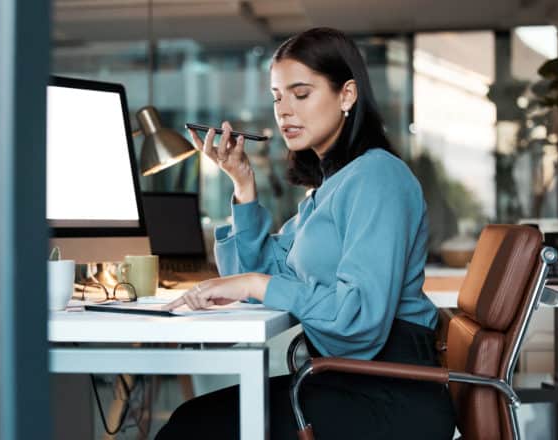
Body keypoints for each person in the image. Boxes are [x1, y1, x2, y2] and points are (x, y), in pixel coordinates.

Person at [157, 27, 455, 439]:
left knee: (191, 429)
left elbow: (359, 323)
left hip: (389, 396)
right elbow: (258, 272)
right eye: (278, 97)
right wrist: (243, 185)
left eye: (301, 94)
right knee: (191, 421)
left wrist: (257, 283)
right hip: (346, 381)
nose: (284, 112)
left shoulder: (378, 177)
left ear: (347, 95)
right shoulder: (330, 188)